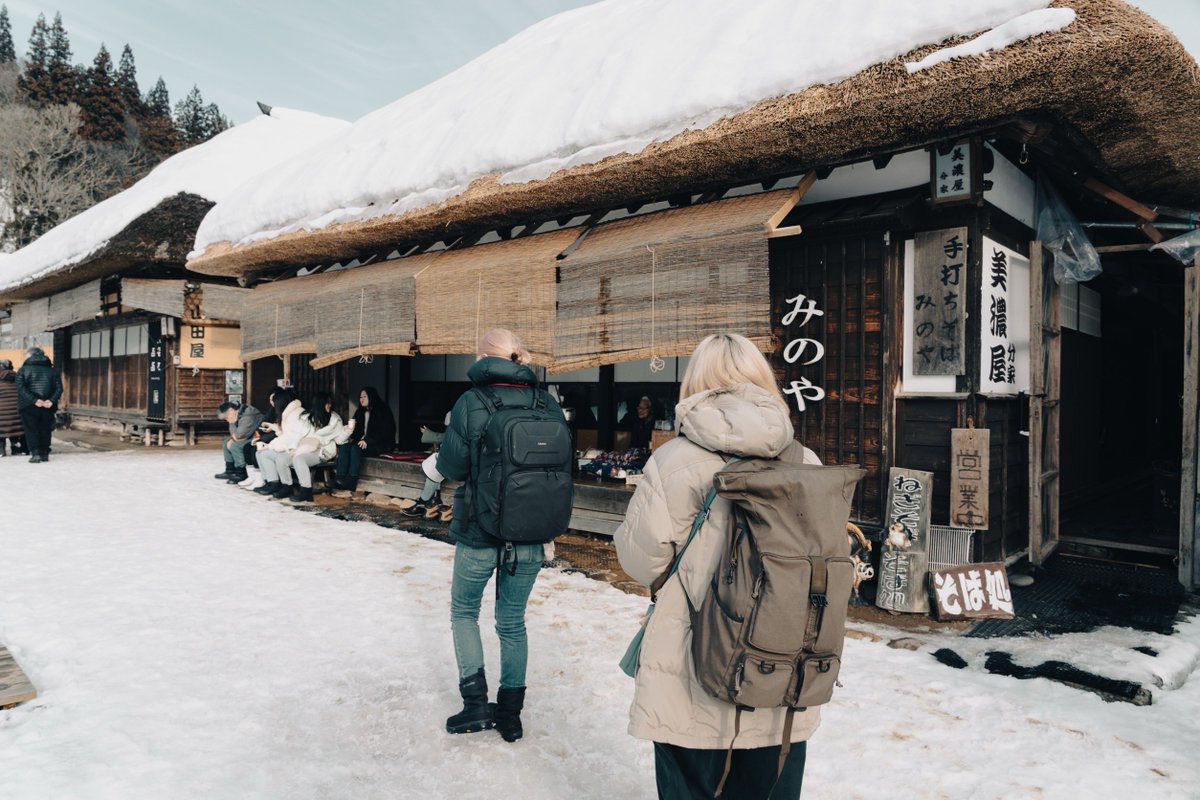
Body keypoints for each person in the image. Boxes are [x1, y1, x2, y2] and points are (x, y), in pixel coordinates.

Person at [614, 333, 821, 800]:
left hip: (692, 663)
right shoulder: (805, 460)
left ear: (695, 383)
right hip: (781, 663)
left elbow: (643, 562)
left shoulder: (672, 461)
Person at [436, 328, 563, 743]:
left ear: (483, 358)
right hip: (531, 532)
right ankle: (510, 715)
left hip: (478, 529)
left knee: (464, 613)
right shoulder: (547, 403)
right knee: (512, 623)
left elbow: (452, 468)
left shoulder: (472, 402)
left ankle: (475, 705)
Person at [288, 392, 347, 503]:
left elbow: (340, 439)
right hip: (304, 448)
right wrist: (292, 447)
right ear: (320, 404)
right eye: (327, 403)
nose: (329, 405)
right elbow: (295, 435)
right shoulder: (305, 418)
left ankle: (306, 491)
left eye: (330, 403)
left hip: (323, 451)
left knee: (299, 459)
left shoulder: (334, 420)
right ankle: (283, 487)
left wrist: (347, 432)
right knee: (282, 458)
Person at [254, 390, 313, 500]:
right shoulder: (288, 413)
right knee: (262, 454)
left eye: (274, 402)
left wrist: (270, 446)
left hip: (298, 448)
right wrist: (275, 428)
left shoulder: (296, 414)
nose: (273, 405)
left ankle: (287, 486)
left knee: (277, 458)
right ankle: (272, 482)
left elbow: (292, 438)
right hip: (289, 446)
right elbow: (285, 435)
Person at [333, 386, 395, 491]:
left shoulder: (382, 410)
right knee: (345, 447)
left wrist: (367, 440)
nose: (362, 399)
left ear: (371, 397)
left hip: (379, 444)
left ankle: (352, 480)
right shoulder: (360, 411)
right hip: (362, 443)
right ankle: (340, 478)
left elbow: (384, 432)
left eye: (365, 396)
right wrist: (348, 429)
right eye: (360, 397)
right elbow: (355, 431)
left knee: (355, 448)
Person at [15, 347, 63, 463]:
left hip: (28, 405)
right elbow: (59, 388)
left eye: (26, 354)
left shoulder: (23, 370)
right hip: (47, 406)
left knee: (31, 429)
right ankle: (44, 453)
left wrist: (34, 400)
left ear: (31, 355)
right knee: (45, 429)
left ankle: (35, 453)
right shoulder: (52, 370)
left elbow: (21, 388)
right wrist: (50, 401)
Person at [216, 401, 264, 483]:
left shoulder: (248, 415)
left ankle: (241, 473)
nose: (227, 420)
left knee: (235, 445)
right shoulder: (236, 413)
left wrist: (233, 423)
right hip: (248, 435)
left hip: (259, 437)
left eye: (227, 417)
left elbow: (239, 435)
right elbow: (234, 434)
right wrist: (232, 424)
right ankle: (230, 471)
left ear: (231, 410)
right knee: (226, 442)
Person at [0, 359, 24, 457]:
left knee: (1, 431)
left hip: (1, 413)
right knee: (15, 430)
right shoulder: (18, 379)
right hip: (16, 411)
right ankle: (16, 449)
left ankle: (1, 451)